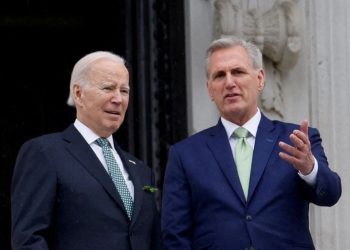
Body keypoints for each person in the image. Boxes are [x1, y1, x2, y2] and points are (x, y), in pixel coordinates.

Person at [161, 36, 342, 250]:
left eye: (238, 72)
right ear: (209, 89)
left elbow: (330, 194)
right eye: (220, 75)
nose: (229, 82)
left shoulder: (297, 140)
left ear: (260, 79)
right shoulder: (185, 154)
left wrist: (309, 168)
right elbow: (174, 235)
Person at [11, 51, 162, 250]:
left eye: (124, 91)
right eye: (108, 88)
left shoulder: (141, 171)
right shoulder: (45, 153)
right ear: (79, 94)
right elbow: (28, 240)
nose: (118, 99)